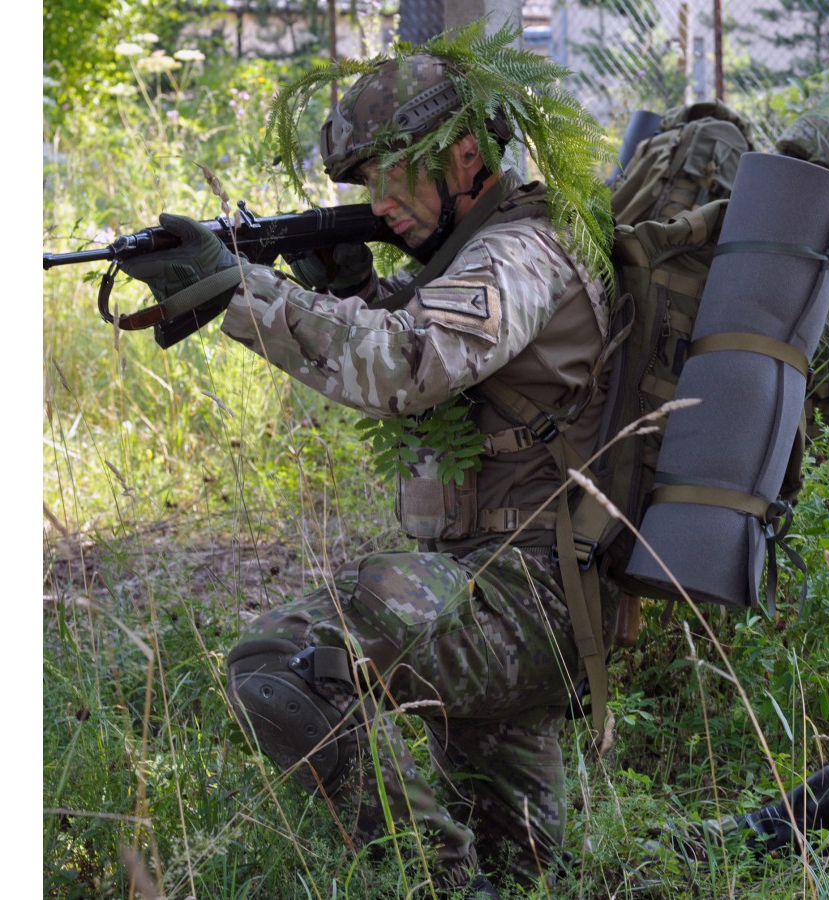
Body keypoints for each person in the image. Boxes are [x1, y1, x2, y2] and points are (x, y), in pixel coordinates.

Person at [118, 31, 621, 895]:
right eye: (362, 182)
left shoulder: (522, 252)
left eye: (395, 169)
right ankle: (783, 826)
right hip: (505, 591)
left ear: (467, 154)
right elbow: (459, 376)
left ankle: (434, 884)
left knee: (277, 661)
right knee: (543, 878)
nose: (378, 200)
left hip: (526, 598)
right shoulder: (473, 255)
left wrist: (245, 291)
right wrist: (352, 292)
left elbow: (410, 364)